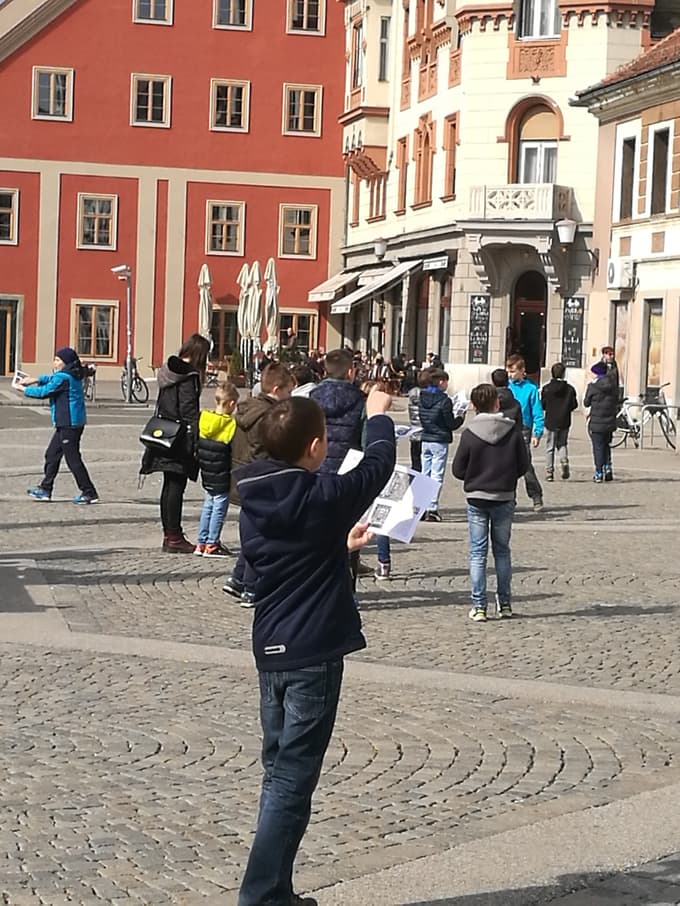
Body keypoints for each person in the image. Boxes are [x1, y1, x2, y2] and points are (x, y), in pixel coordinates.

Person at [235, 390, 396, 906]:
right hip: (311, 654)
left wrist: (335, 545)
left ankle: (277, 891)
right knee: (293, 781)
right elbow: (378, 467)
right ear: (313, 447)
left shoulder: (256, 495)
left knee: (277, 772)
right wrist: (378, 417)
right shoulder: (321, 494)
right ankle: (260, 897)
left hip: (271, 649)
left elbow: (278, 559)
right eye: (325, 437)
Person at [452, 383, 529, 623]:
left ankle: (479, 606)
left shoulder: (469, 433)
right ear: (497, 402)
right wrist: (505, 477)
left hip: (476, 496)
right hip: (504, 496)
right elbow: (523, 465)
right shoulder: (512, 430)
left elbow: (457, 469)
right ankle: (504, 603)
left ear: (474, 405)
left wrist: (475, 476)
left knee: (477, 553)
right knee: (502, 551)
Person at [223, 363, 295, 605]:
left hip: (243, 477)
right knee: (262, 537)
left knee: (254, 531)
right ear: (277, 389)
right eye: (288, 392)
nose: (289, 397)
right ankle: (252, 587)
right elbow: (268, 450)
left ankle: (238, 578)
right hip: (263, 481)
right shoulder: (269, 415)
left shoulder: (246, 408)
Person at [140, 333, 211, 552]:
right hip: (179, 438)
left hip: (165, 433)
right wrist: (194, 444)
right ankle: (174, 536)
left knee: (168, 486)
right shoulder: (188, 376)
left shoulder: (169, 371)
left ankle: (169, 533)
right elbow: (189, 411)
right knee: (175, 488)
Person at [311, 348, 368, 582]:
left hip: (317, 471)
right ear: (351, 371)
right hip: (348, 473)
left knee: (317, 531)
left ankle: (317, 580)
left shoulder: (313, 396)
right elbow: (365, 441)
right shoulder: (358, 399)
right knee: (350, 531)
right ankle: (347, 585)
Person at [19, 346, 99, 504]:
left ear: (66, 363)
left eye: (57, 360)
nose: (54, 363)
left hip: (69, 423)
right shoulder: (72, 373)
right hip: (68, 423)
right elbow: (51, 379)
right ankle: (45, 489)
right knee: (52, 454)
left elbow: (45, 391)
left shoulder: (63, 377)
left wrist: (24, 389)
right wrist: (36, 379)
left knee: (73, 459)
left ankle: (89, 492)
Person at [195, 382, 239, 557]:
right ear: (231, 404)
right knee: (219, 507)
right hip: (222, 472)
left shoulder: (204, 419)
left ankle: (201, 541)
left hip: (207, 471)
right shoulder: (229, 425)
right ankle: (212, 543)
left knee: (208, 505)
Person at [418, 368, 464, 522]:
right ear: (440, 382)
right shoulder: (444, 400)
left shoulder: (421, 397)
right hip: (439, 439)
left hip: (425, 438)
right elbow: (450, 423)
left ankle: (421, 506)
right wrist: (460, 417)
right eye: (446, 381)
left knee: (425, 473)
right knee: (437, 475)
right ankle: (432, 508)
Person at [506, 354, 545, 511]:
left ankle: (536, 495)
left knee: (526, 464)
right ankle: (509, 498)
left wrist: (537, 432)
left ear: (522, 371)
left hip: (524, 429)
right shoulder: (506, 387)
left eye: (513, 371)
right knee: (507, 465)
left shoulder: (531, 389)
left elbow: (537, 412)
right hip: (507, 426)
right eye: (508, 371)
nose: (510, 375)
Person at [540, 362, 578, 481]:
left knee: (549, 447)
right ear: (564, 374)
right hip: (564, 421)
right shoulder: (570, 389)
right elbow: (574, 405)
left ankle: (549, 472)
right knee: (562, 444)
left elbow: (543, 405)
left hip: (551, 421)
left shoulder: (547, 388)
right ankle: (564, 460)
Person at [584, 361, 618, 482]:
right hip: (609, 421)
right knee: (606, 445)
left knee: (598, 447)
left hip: (597, 421)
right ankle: (608, 467)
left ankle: (598, 472)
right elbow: (616, 400)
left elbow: (586, 402)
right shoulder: (613, 386)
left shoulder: (593, 387)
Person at [407, 367, 432, 472]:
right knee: (426, 465)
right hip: (425, 433)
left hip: (414, 432)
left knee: (415, 464)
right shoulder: (428, 397)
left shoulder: (412, 395)